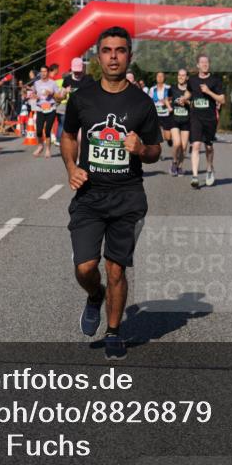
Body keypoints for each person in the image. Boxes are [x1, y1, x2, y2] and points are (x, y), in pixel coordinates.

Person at [61, 26, 161, 360]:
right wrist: (72, 168)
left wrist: (141, 147)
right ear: (98, 56)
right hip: (89, 195)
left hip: (128, 197)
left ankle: (114, 331)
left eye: (120, 50)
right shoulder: (82, 97)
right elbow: (69, 135)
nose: (113, 56)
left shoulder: (141, 103)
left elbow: (156, 151)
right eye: (107, 50)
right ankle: (94, 296)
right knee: (85, 268)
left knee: (116, 269)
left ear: (129, 56)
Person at [186, 54, 225, 188]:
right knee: (196, 145)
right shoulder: (192, 80)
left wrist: (209, 92)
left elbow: (222, 100)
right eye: (202, 62)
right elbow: (188, 92)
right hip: (196, 117)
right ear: (197, 65)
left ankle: (209, 169)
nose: (205, 64)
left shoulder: (216, 80)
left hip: (210, 118)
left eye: (207, 62)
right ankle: (195, 176)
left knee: (208, 147)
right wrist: (183, 98)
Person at [56, 57, 96, 144]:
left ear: (83, 68)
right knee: (71, 137)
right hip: (71, 110)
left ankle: (80, 155)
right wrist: (65, 92)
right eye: (75, 71)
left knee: (81, 138)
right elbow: (60, 96)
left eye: (79, 71)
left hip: (85, 110)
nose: (77, 73)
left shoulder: (89, 79)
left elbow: (95, 94)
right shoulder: (67, 80)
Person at [147, 71, 173, 165]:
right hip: (156, 115)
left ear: (164, 77)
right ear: (156, 78)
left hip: (166, 114)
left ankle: (170, 140)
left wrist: (167, 101)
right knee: (159, 136)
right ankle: (160, 153)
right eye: (158, 76)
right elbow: (149, 101)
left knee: (167, 136)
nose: (160, 78)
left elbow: (172, 98)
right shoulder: (152, 89)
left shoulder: (168, 88)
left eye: (161, 76)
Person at [32, 65, 58, 158]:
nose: (43, 73)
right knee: (38, 131)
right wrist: (34, 96)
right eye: (41, 71)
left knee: (47, 130)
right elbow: (33, 93)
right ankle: (40, 146)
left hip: (51, 109)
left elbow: (58, 96)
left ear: (48, 72)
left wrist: (51, 93)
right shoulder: (36, 83)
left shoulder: (53, 83)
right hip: (40, 109)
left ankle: (47, 150)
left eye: (45, 71)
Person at [169, 68, 191, 176]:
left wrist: (186, 101)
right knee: (177, 143)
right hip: (175, 119)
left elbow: (193, 105)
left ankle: (180, 166)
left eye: (183, 75)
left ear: (187, 77)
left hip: (186, 120)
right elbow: (167, 99)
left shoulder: (190, 90)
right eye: (179, 75)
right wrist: (169, 106)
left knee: (184, 146)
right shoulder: (172, 88)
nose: (181, 77)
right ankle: (174, 162)